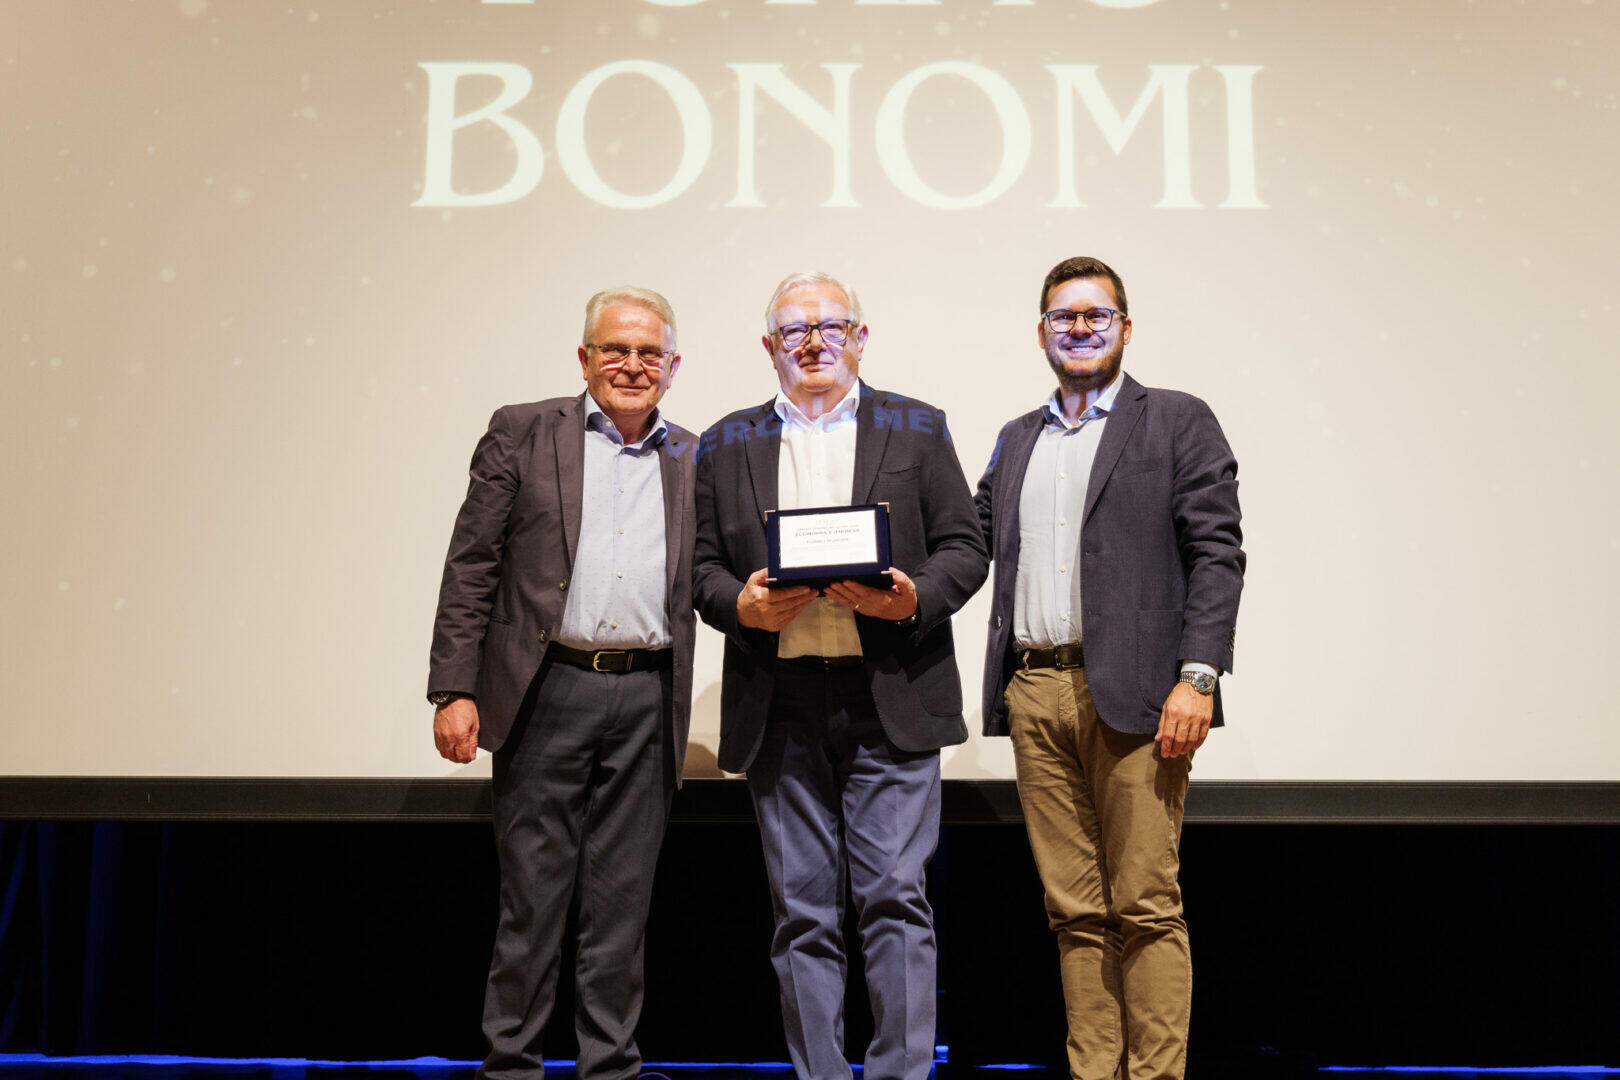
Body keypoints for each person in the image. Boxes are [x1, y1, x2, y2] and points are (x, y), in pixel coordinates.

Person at [692, 271, 988, 1080]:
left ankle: (899, 1076)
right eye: (795, 330)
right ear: (770, 346)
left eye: (832, 326)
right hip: (779, 703)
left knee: (896, 899)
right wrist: (740, 605)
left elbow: (965, 548)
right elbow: (700, 567)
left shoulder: (918, 427)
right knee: (802, 913)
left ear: (861, 337)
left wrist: (912, 599)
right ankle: (819, 1075)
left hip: (889, 691)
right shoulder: (725, 441)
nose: (814, 342)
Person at [974, 256, 1245, 1080]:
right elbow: (963, 543)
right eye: (1065, 316)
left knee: (1147, 905)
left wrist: (1199, 676)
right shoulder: (1016, 438)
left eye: (1097, 314)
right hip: (1035, 690)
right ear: (1042, 333)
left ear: (1126, 327)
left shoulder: (1177, 419)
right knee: (1073, 912)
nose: (1081, 327)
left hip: (1140, 695)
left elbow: (1217, 553)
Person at [426, 286, 697, 1080]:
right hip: (547, 691)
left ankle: (609, 1065)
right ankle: (512, 1063)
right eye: (615, 349)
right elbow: (472, 564)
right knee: (533, 897)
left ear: (672, 366)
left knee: (623, 901)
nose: (632, 365)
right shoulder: (522, 431)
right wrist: (453, 688)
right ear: (584, 358)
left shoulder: (694, 456)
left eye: (648, 353)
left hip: (648, 695)